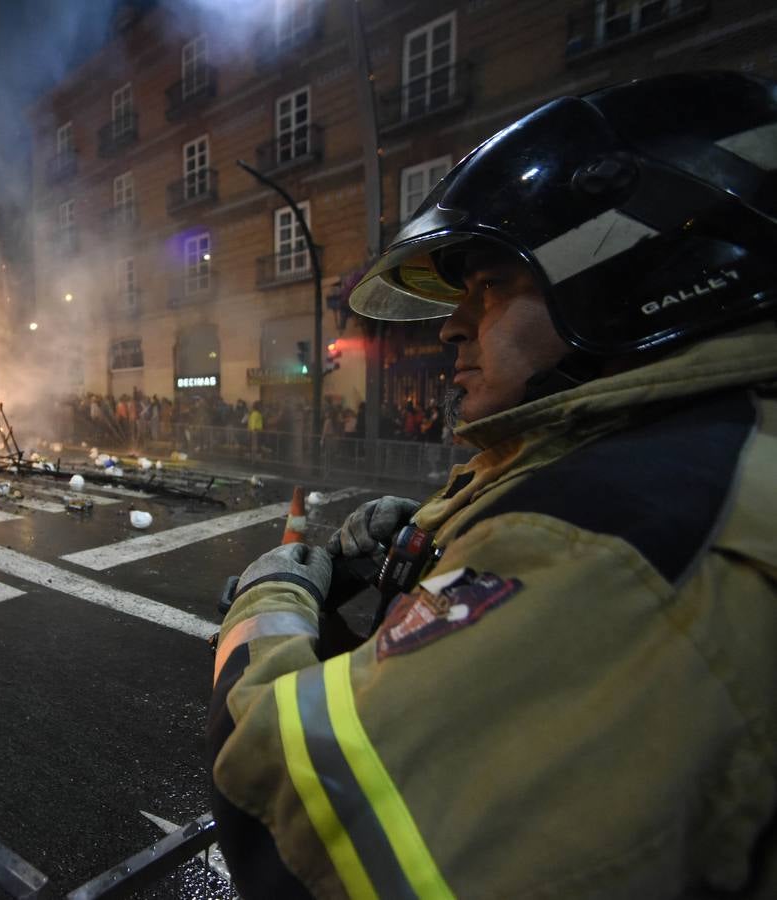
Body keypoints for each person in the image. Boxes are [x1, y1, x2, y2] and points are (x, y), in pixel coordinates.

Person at [209, 72, 775, 899]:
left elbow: (295, 805)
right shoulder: (700, 445)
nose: (451, 326)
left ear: (618, 272)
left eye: (491, 286)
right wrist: (429, 539)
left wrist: (269, 602)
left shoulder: (604, 537)